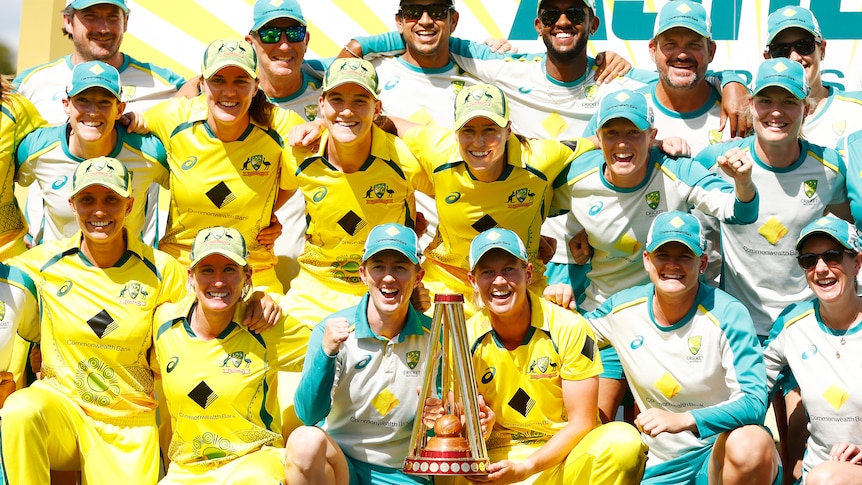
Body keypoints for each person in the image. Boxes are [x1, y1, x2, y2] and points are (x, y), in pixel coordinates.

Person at [550, 89, 758, 422]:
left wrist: (744, 182)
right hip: (607, 321)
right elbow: (524, 204)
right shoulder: (576, 176)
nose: (622, 143)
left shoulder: (677, 170)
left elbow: (738, 211)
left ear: (652, 137)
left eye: (633, 132)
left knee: (668, 430)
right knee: (593, 426)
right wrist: (549, 254)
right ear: (598, 137)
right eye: (612, 133)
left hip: (675, 324)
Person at [0, 157, 187, 484]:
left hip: (127, 424)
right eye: (88, 199)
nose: (99, 211)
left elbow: (190, 335)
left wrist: (256, 299)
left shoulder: (163, 270)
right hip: (61, 409)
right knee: (20, 410)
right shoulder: (41, 265)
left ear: (129, 206)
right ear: (72, 205)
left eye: (110, 199)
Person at [440, 228, 646, 484]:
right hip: (498, 462)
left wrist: (526, 468)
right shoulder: (462, 338)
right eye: (487, 272)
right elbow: (461, 417)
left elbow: (582, 422)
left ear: (528, 273)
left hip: (564, 458)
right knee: (445, 460)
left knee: (623, 442)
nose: (499, 281)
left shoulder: (570, 326)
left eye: (508, 269)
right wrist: (476, 425)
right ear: (473, 280)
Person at [586, 211, 779, 484]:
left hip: (718, 458)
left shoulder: (729, 313)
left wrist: (684, 419)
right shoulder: (621, 309)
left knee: (750, 443)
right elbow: (565, 335)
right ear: (646, 260)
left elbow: (753, 402)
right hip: (660, 466)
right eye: (663, 255)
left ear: (702, 263)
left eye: (685, 256)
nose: (673, 265)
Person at [131, 39, 304, 293]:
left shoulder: (280, 126)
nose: (229, 91)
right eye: (218, 80)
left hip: (254, 270)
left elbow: (327, 141)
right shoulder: (175, 117)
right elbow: (129, 123)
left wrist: (264, 210)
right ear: (201, 83)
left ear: (256, 86)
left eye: (241, 81)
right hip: (181, 265)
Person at [279, 57, 428, 329]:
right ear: (321, 104)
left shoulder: (405, 158)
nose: (347, 111)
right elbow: (269, 197)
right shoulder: (298, 154)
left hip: (384, 291)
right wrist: (267, 228)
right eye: (337, 99)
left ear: (377, 107)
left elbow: (457, 193)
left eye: (359, 100)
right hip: (314, 290)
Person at [154, 226, 306, 483]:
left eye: (229, 269)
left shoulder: (264, 324)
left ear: (247, 275)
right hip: (187, 470)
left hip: (254, 461)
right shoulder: (165, 323)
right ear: (190, 276)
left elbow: (329, 350)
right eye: (207, 270)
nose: (218, 281)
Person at [285, 223, 433, 485]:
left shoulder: (436, 335)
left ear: (418, 276)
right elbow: (308, 415)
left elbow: (442, 420)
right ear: (363, 274)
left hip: (404, 472)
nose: (388, 277)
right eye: (378, 266)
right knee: (304, 442)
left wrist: (438, 414)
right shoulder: (331, 330)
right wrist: (326, 354)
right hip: (342, 465)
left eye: (400, 267)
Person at [16, 60, 168, 244]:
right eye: (82, 100)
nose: (93, 111)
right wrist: (17, 233)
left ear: (119, 109)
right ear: (66, 104)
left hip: (128, 270)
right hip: (55, 271)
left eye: (104, 102)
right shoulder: (37, 148)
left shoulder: (148, 152)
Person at [763, 216, 862, 485]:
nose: (820, 269)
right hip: (816, 474)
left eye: (832, 256)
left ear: (858, 263)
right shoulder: (793, 324)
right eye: (809, 260)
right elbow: (754, 388)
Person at [245, 0, 325, 289]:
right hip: (253, 264)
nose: (282, 45)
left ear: (306, 39)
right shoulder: (227, 101)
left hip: (322, 271)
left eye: (292, 33)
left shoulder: (334, 95)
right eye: (269, 35)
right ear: (250, 42)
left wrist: (323, 123)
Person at [12, 0, 185, 124]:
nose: (103, 28)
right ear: (68, 22)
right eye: (90, 16)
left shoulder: (166, 84)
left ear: (125, 22)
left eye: (112, 17)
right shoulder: (29, 84)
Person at [763, 6, 862, 149]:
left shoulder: (856, 109)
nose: (795, 58)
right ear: (768, 58)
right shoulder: (756, 118)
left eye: (804, 46)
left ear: (822, 50)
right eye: (781, 50)